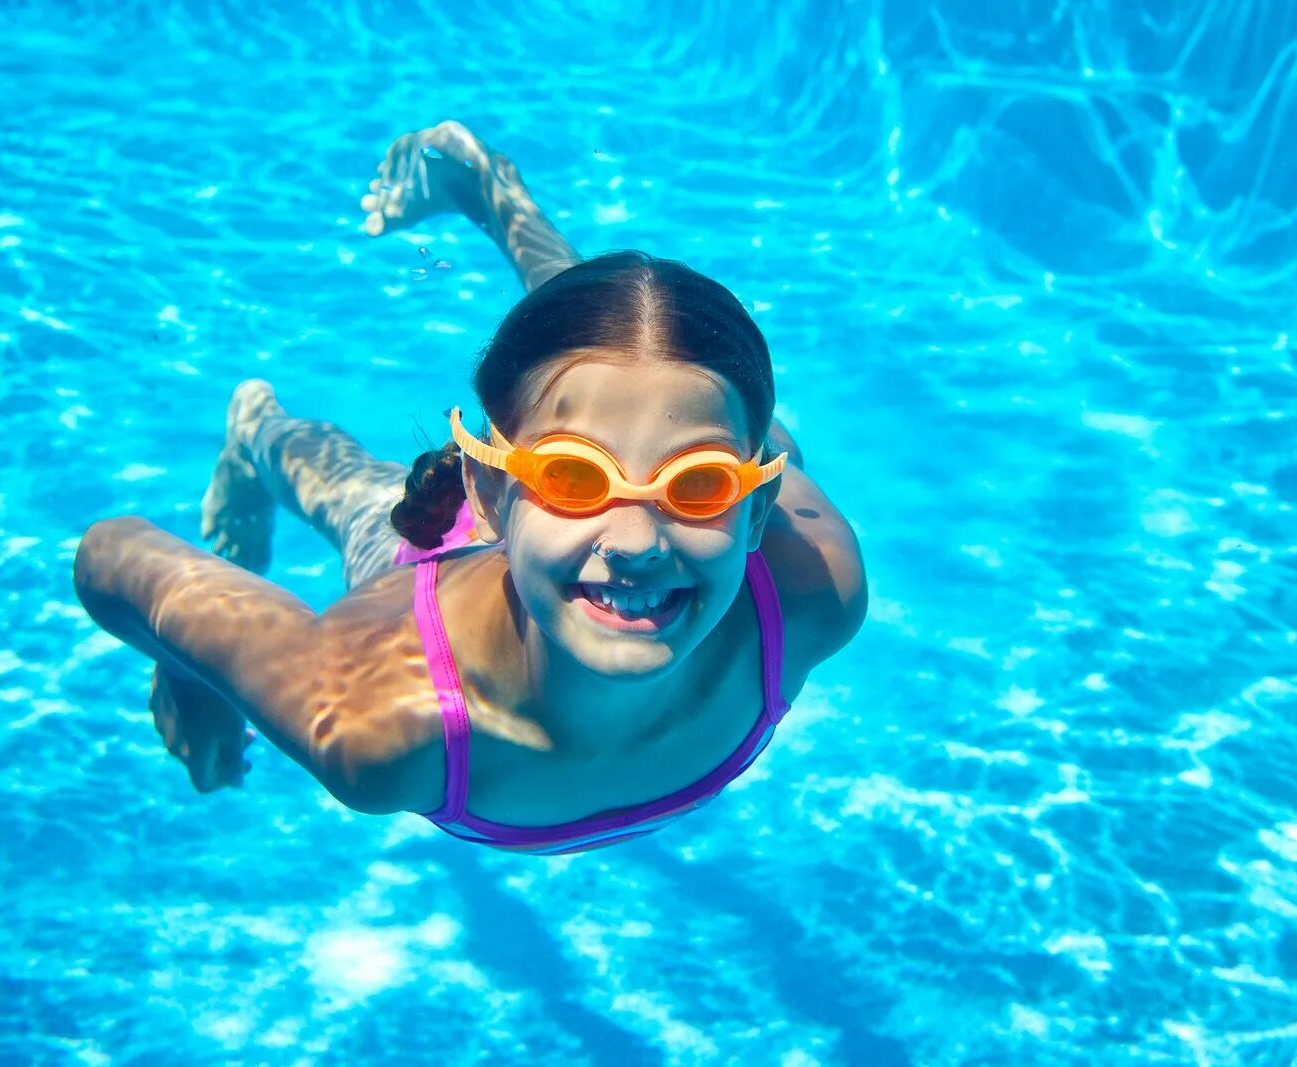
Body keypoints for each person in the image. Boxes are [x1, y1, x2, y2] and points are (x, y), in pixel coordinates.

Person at [73, 121, 867, 855]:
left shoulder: (812, 595)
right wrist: (194, 677)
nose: (637, 542)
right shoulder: (381, 719)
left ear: (758, 507)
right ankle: (255, 429)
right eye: (572, 477)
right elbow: (112, 556)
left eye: (698, 485)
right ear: (489, 489)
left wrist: (661, 464)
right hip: (425, 560)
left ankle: (499, 202)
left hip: (624, 490)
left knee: (625, 361)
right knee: (354, 492)